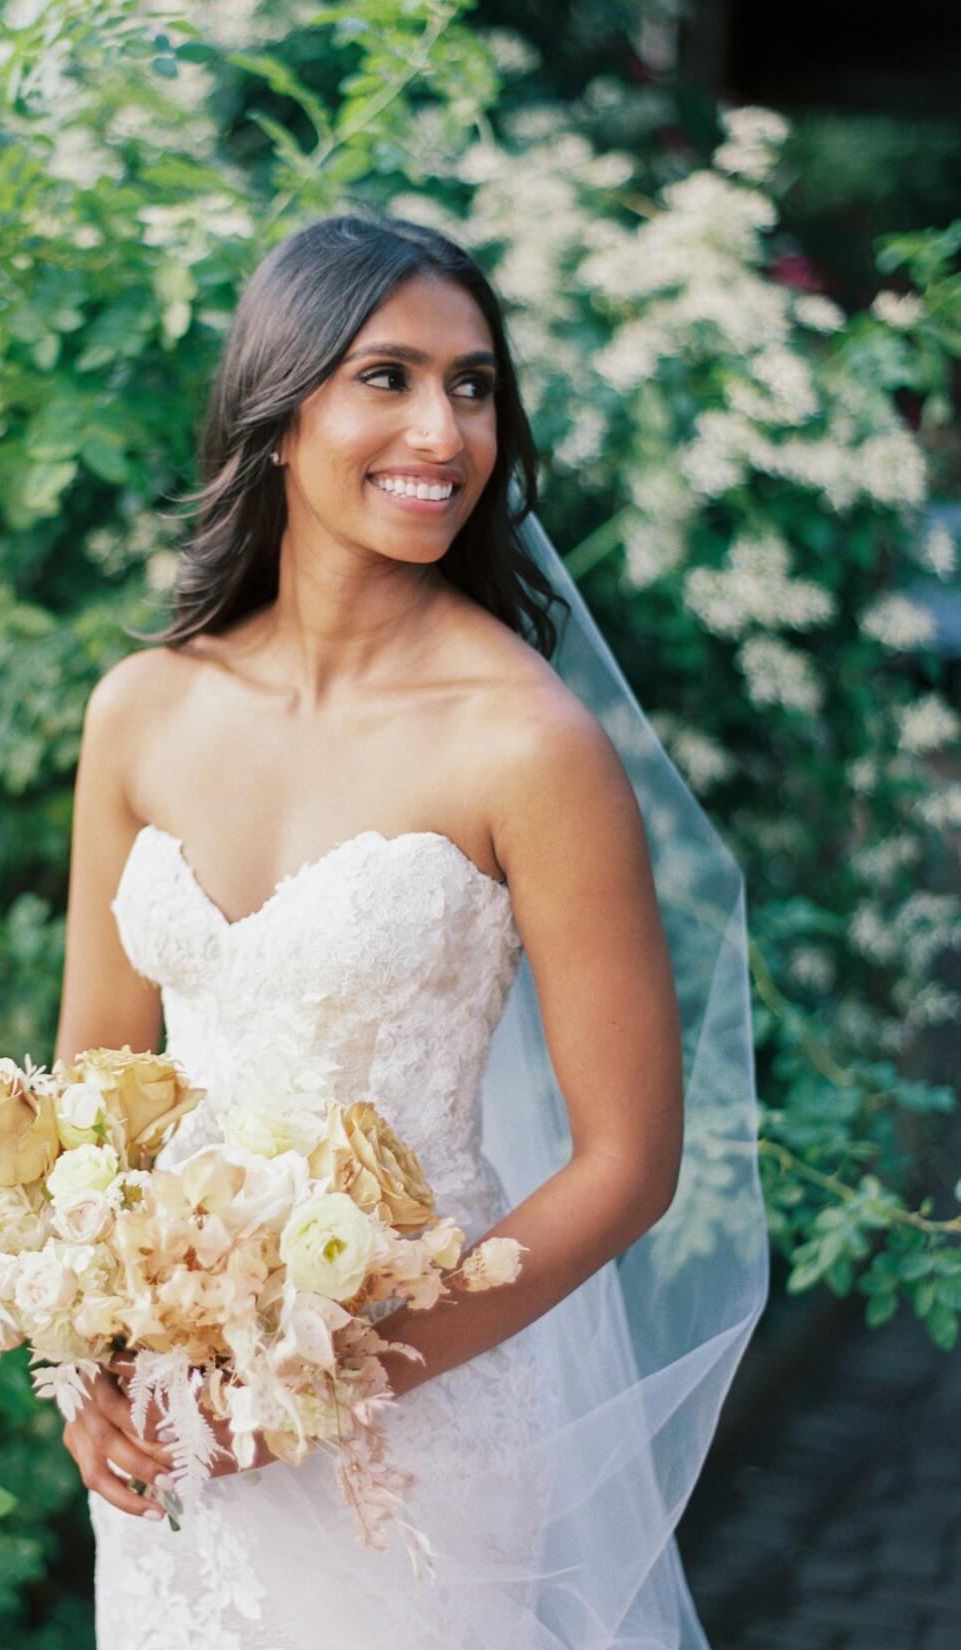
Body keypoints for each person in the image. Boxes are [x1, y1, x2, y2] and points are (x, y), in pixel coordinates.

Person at [53, 212, 768, 1649]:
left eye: (473, 384)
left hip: (420, 1430)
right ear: (278, 407)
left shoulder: (526, 744)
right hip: (181, 1431)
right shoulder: (139, 710)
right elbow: (91, 1094)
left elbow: (628, 1163)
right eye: (386, 376)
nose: (441, 428)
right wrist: (84, 1365)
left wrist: (339, 1371)